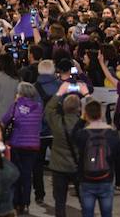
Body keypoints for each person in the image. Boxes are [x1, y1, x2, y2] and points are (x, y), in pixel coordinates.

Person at [73, 100, 120, 217]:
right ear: (101, 114)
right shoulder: (112, 134)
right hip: (106, 178)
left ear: (87, 115)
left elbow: (72, 135)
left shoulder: (82, 134)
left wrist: (81, 119)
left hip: (86, 179)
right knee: (106, 213)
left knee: (87, 213)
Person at [2, 82, 42, 214]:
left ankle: (16, 202)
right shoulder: (38, 107)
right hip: (33, 146)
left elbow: (5, 119)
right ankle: (25, 203)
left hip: (16, 144)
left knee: (15, 174)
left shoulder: (15, 106)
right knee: (26, 175)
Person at [44, 86, 83, 217]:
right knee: (85, 199)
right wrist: (86, 94)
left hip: (59, 166)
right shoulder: (83, 125)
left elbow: (48, 109)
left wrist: (59, 92)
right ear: (79, 108)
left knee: (60, 201)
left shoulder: (57, 122)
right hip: (77, 166)